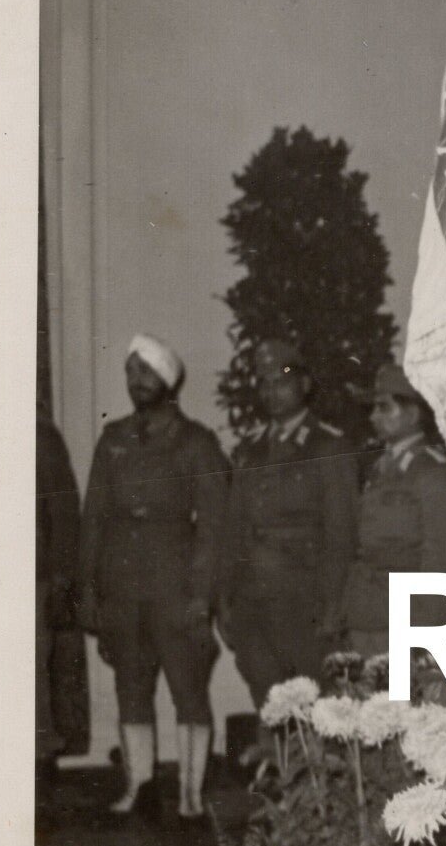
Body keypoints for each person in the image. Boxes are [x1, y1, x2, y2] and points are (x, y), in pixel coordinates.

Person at [77, 336, 230, 819]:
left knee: (189, 691)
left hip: (176, 588)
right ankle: (138, 786)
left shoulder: (196, 442)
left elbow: (214, 527)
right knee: (130, 689)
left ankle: (190, 797)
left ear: (168, 378)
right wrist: (88, 591)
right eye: (130, 372)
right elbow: (93, 519)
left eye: (146, 372)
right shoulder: (113, 440)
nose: (136, 381)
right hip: (122, 589)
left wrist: (201, 597)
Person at [218, 338, 358, 707]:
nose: (271, 391)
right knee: (269, 707)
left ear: (304, 384)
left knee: (313, 708)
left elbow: (341, 535)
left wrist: (333, 609)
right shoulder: (251, 450)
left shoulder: (328, 447)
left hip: (304, 604)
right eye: (264, 383)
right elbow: (234, 530)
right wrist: (225, 598)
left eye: (281, 381)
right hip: (253, 604)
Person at [340, 363, 446, 655]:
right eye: (374, 408)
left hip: (408, 622)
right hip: (369, 618)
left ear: (413, 413)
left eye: (384, 407)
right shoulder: (379, 470)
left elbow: (444, 560)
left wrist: (426, 634)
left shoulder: (434, 473)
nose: (373, 416)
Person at [37, 407, 84, 796]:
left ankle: (38, 760)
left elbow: (64, 512)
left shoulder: (40, 435)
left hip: (28, 575)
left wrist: (60, 578)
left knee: (30, 671)